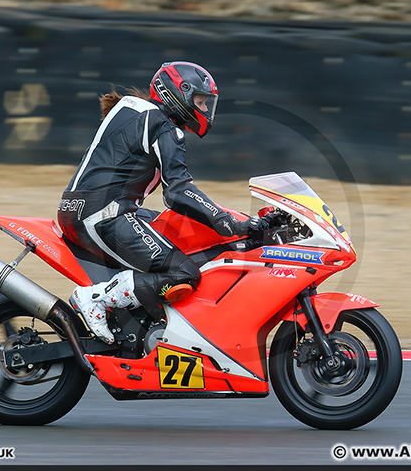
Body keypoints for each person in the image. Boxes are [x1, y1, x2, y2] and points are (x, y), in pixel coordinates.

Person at [57, 61, 270, 344]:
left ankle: (138, 319)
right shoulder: (163, 126)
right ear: (176, 93)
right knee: (184, 273)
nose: (204, 109)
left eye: (206, 103)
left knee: (172, 230)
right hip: (102, 215)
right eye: (200, 101)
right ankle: (97, 299)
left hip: (80, 208)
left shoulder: (132, 108)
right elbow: (178, 191)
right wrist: (231, 223)